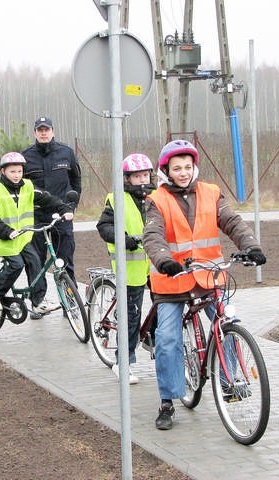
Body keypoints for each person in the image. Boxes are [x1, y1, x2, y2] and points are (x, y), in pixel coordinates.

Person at [142, 139, 267, 430]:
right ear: (166, 171)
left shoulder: (212, 193)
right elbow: (153, 236)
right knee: (169, 338)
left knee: (229, 324)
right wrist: (164, 261)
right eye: (177, 168)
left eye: (187, 166)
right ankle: (167, 400)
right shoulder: (156, 201)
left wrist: (252, 246)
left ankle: (229, 383)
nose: (183, 172)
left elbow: (233, 222)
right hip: (172, 279)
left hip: (210, 274)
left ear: (194, 167)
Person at [0, 151, 74, 320]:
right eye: (12, 172)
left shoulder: (27, 187)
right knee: (16, 264)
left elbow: (47, 199)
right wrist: (7, 232)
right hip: (1, 240)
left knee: (35, 261)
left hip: (21, 238)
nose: (17, 175)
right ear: (3, 172)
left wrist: (64, 208)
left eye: (19, 171)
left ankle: (37, 303)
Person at [96, 153, 156, 385]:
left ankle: (152, 340)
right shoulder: (116, 198)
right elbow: (104, 226)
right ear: (127, 178)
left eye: (145, 175)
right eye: (136, 176)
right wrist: (123, 239)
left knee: (167, 305)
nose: (142, 180)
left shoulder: (158, 197)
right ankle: (124, 362)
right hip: (130, 266)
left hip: (157, 265)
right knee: (132, 316)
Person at [22, 116, 82, 285]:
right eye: (40, 130)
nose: (43, 133)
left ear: (52, 131)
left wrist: (71, 207)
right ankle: (38, 302)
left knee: (65, 262)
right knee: (35, 263)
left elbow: (76, 182)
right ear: (35, 133)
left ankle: (70, 304)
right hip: (36, 217)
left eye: (46, 129)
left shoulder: (67, 153)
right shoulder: (26, 156)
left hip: (62, 216)